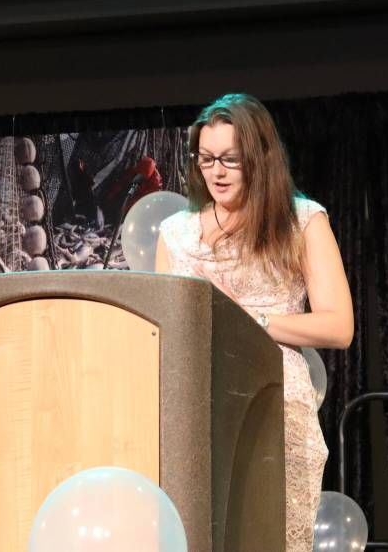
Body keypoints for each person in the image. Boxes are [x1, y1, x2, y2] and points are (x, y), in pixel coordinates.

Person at [155, 93, 353, 552]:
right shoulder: (175, 233)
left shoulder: (302, 221)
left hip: (274, 402)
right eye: (206, 158)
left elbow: (339, 327)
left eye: (230, 159)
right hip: (195, 406)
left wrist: (248, 320)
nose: (217, 172)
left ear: (261, 157)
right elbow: (166, 331)